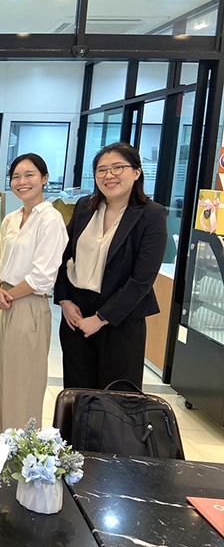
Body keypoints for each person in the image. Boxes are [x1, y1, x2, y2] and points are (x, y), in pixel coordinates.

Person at [55, 142, 167, 390]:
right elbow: (62, 256)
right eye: (102, 170)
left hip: (120, 320)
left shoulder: (151, 214)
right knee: (77, 393)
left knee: (116, 399)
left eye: (118, 168)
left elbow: (142, 279)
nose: (109, 175)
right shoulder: (85, 206)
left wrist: (101, 318)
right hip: (76, 314)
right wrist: (64, 301)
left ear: (136, 172)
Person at [0, 154, 68, 431]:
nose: (22, 182)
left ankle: (19, 454)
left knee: (23, 384)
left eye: (29, 175)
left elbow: (42, 276)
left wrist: (6, 296)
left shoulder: (50, 219)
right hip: (4, 304)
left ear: (44, 179)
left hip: (28, 304)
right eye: (16, 176)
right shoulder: (11, 219)